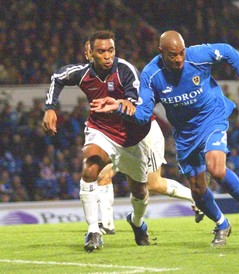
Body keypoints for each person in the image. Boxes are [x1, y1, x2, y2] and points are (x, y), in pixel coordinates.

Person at [90, 30, 239, 247]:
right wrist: (118, 106)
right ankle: (222, 224)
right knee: (198, 189)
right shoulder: (151, 75)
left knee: (217, 168)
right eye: (173, 55)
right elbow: (142, 115)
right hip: (185, 134)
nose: (179, 59)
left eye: (181, 53)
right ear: (161, 52)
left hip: (211, 117)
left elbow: (228, 51)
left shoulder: (198, 55)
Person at [42, 30, 197, 253]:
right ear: (90, 54)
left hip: (134, 138)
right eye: (101, 51)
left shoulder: (126, 71)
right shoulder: (84, 74)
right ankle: (94, 230)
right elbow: (57, 77)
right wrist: (50, 108)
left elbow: (137, 103)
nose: (107, 56)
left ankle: (136, 222)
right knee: (90, 169)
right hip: (102, 131)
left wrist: (117, 103)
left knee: (142, 190)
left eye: (111, 50)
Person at [83, 41, 204, 235]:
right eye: (95, 51)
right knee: (103, 174)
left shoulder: (123, 72)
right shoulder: (90, 78)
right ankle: (107, 224)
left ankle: (196, 199)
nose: (102, 55)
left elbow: (138, 104)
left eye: (107, 51)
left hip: (143, 135)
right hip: (115, 138)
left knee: (153, 184)